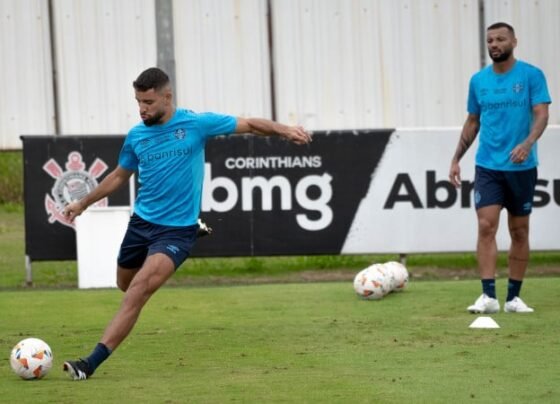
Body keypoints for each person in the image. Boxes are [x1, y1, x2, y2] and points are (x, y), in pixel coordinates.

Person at [61, 67, 312, 380]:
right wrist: (82, 204)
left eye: (149, 102)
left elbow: (248, 124)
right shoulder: (137, 136)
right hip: (141, 224)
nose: (142, 108)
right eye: (138, 101)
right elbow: (117, 176)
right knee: (125, 285)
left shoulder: (195, 124)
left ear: (167, 97)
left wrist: (284, 129)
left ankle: (90, 363)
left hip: (176, 231)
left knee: (138, 291)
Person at [449, 22, 551, 314]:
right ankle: (488, 296)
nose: (494, 44)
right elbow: (472, 121)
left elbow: (542, 115)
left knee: (519, 231)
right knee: (485, 225)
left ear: (514, 42)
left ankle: (514, 298)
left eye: (500, 39)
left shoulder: (531, 75)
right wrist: (456, 158)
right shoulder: (478, 80)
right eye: (490, 40)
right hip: (488, 166)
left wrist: (527, 143)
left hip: (522, 167)